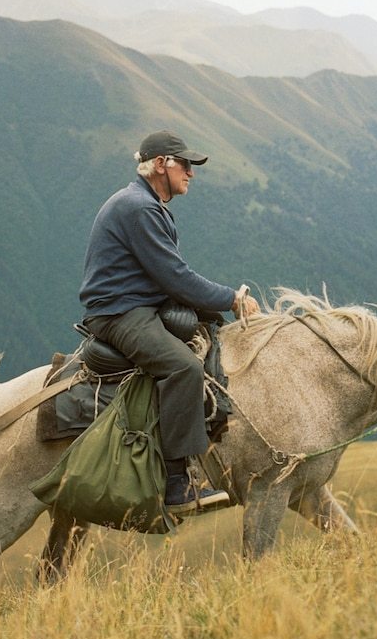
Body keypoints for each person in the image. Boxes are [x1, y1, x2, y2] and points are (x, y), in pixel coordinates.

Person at [79, 129, 261, 512]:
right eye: (186, 164)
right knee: (183, 369)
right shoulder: (140, 208)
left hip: (138, 303)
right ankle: (178, 486)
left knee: (207, 328)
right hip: (119, 313)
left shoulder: (144, 203)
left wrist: (213, 307)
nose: (191, 172)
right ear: (161, 164)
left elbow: (171, 278)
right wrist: (232, 299)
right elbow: (175, 277)